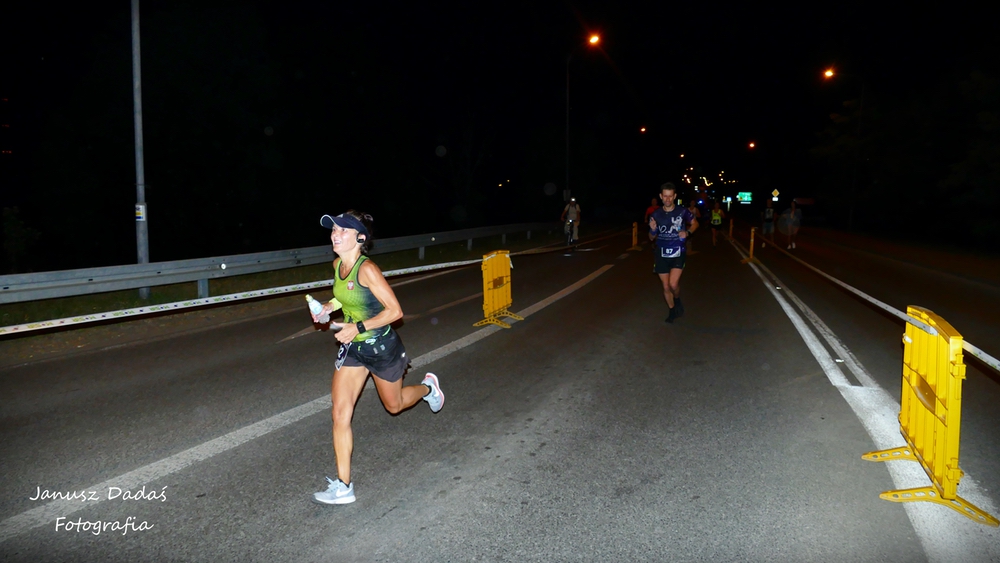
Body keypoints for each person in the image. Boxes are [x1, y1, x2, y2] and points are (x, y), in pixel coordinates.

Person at [311, 210, 444, 506]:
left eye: (343, 230)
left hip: (382, 349)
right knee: (339, 414)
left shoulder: (368, 269)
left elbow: (395, 312)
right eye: (334, 229)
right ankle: (344, 486)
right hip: (354, 350)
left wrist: (357, 327)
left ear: (360, 238)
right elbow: (344, 297)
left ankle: (428, 389)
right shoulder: (338, 265)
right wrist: (327, 307)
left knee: (394, 405)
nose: (335, 234)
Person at [648, 182, 698, 323]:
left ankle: (677, 299)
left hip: (678, 251)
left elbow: (695, 223)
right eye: (665, 196)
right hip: (661, 253)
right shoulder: (655, 214)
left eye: (670, 196)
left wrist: (687, 232)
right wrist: (652, 230)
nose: (668, 199)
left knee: (673, 284)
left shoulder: (682, 211)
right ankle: (672, 310)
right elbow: (651, 238)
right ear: (661, 196)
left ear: (674, 196)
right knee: (665, 286)